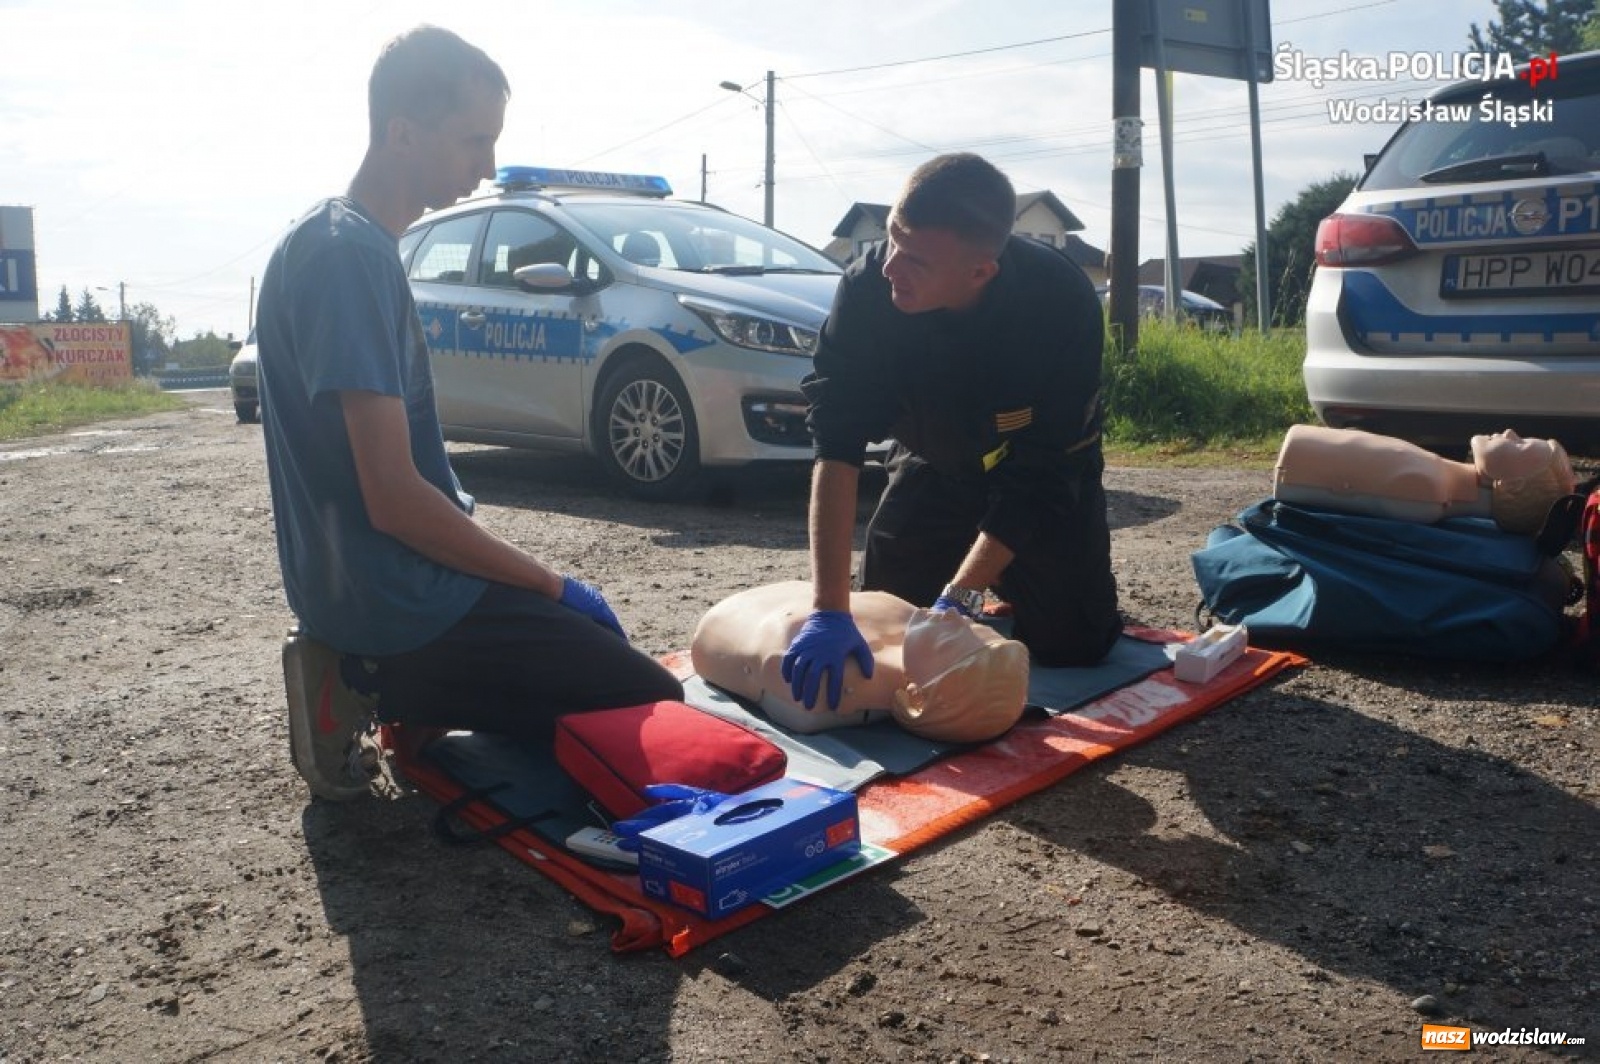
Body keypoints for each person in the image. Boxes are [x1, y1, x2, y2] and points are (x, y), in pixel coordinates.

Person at [256, 26, 683, 800]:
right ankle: (367, 683)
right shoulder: (347, 256)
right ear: (402, 133)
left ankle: (404, 696)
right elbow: (393, 500)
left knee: (581, 658)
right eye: (472, 142)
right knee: (648, 698)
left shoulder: (341, 242)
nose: (485, 168)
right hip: (399, 602)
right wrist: (552, 585)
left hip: (369, 589)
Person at [782, 152, 1121, 711]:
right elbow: (835, 445)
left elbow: (1046, 471)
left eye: (914, 258)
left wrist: (962, 597)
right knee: (887, 625)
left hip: (1030, 477)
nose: (891, 265)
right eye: (892, 238)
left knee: (1074, 644)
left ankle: (1014, 581)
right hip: (934, 463)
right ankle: (979, 577)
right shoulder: (869, 290)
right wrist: (829, 609)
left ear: (979, 271)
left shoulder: (1059, 305)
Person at [691, 582, 1029, 744]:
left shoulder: (834, 684)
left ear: (916, 696)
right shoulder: (915, 627)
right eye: (973, 626)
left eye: (955, 640)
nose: (956, 615)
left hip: (724, 623)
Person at [1273, 425, 1577, 533]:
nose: (1510, 433)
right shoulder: (1435, 481)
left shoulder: (1427, 492)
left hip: (1298, 462)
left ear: (1515, 484)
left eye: (1520, 445)